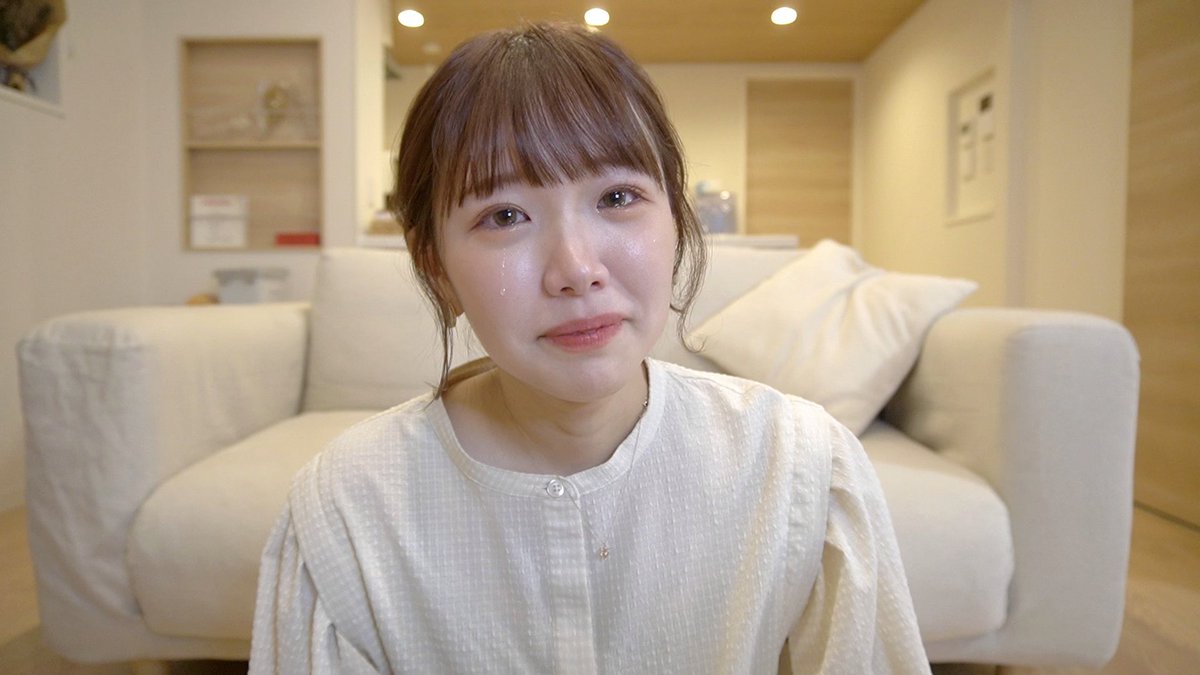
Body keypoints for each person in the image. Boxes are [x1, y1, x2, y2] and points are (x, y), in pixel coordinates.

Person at [249, 22, 930, 675]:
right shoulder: (348, 507)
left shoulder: (799, 466)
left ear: (676, 221)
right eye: (505, 215)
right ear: (436, 267)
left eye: (617, 196)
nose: (577, 268)